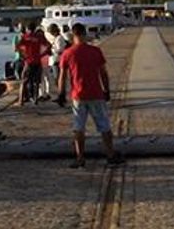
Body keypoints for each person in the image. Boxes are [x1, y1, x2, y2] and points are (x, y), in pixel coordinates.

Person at [55, 22, 122, 168]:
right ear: (84, 33)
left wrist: (61, 94)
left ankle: (80, 158)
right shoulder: (95, 51)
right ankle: (110, 155)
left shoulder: (67, 53)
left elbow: (62, 76)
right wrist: (107, 90)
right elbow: (103, 73)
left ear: (73, 35)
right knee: (104, 125)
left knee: (79, 127)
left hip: (78, 95)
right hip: (96, 93)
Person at [14, 22, 48, 106]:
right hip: (38, 61)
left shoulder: (25, 37)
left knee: (24, 81)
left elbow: (16, 47)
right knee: (36, 81)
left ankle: (21, 101)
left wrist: (23, 55)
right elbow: (48, 46)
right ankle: (36, 99)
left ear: (28, 29)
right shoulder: (39, 37)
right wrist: (42, 54)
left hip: (28, 62)